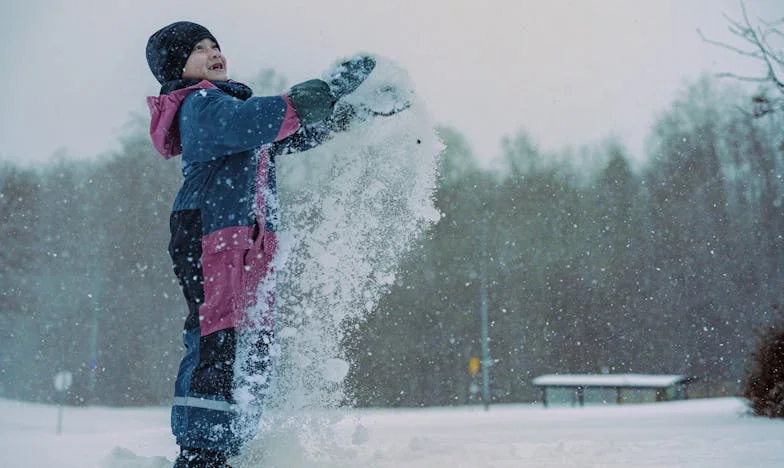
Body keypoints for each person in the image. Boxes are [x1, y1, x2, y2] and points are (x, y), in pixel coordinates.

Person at [145, 21, 347, 467]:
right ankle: (203, 448)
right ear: (177, 67)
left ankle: (236, 440)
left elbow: (286, 135)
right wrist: (310, 95)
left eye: (215, 44)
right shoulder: (200, 103)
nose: (213, 52)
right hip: (211, 234)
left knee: (253, 340)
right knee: (218, 336)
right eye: (198, 49)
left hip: (248, 245)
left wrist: (345, 110)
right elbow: (253, 122)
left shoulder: (229, 111)